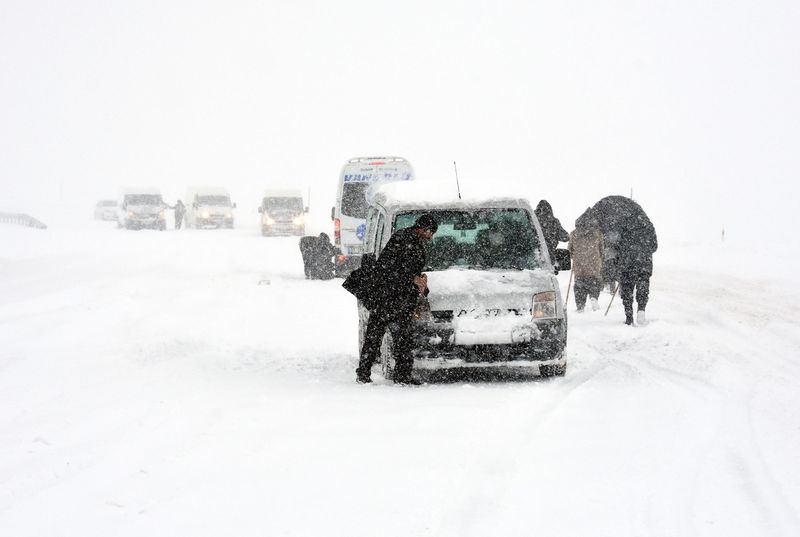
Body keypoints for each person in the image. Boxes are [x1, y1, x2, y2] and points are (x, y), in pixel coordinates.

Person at [355, 214, 438, 385]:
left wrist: (421, 280)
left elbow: (409, 268)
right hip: (386, 296)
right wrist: (412, 278)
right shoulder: (401, 238)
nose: (431, 237)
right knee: (375, 337)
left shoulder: (416, 242)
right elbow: (387, 267)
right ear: (422, 229)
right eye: (430, 232)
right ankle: (363, 374)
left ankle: (403, 375)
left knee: (404, 339)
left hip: (403, 298)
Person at [617, 213, 658, 325]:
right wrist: (644, 250)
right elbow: (654, 246)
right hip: (644, 262)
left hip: (627, 263)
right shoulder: (648, 226)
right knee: (643, 286)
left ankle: (629, 316)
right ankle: (641, 310)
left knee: (627, 289)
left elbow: (618, 246)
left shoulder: (624, 226)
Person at [569, 208, 604, 312]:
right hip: (594, 263)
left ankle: (580, 306)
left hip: (579, 264)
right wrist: (599, 258)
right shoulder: (598, 233)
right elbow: (601, 250)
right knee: (594, 281)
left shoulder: (574, 233)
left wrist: (575, 256)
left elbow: (570, 249)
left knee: (579, 284)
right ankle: (593, 297)